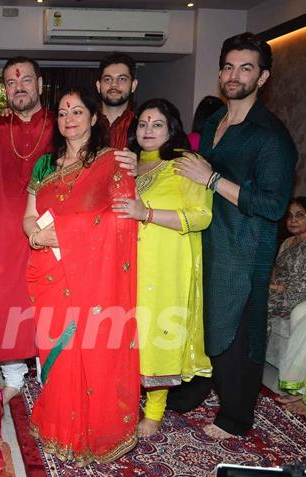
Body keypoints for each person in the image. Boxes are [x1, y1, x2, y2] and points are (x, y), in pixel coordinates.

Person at [0, 56, 137, 404]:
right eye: (11, 83)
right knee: (6, 304)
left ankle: (52, 374)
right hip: (3, 231)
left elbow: (100, 157)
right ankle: (13, 374)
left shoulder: (61, 123)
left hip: (56, 235)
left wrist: (137, 160)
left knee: (52, 306)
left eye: (26, 80)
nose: (20, 87)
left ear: (40, 85)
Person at [170, 32, 297, 439]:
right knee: (205, 323)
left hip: (245, 249)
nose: (234, 75)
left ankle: (237, 417)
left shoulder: (270, 136)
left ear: (262, 77)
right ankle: (200, 387)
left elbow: (273, 205)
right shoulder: (214, 123)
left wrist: (212, 179)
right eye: (228, 66)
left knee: (239, 332)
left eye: (246, 68)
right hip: (209, 239)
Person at [23, 87, 139, 464]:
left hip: (91, 278)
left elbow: (124, 218)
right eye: (61, 112)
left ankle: (93, 430)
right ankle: (59, 423)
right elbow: (28, 215)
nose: (68, 119)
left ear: (93, 118)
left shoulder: (113, 162)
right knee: (54, 349)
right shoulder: (44, 165)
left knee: (88, 348)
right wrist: (37, 235)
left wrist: (69, 232)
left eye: (76, 111)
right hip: (49, 270)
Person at [114, 98, 213, 437]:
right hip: (126, 265)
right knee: (125, 334)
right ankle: (124, 403)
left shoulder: (186, 163)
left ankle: (154, 412)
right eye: (142, 124)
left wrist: (148, 214)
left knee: (158, 333)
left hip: (166, 267)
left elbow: (202, 216)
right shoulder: (127, 165)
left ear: (172, 129)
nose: (148, 130)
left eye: (157, 124)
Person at [267, 198, 306, 415]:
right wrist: (270, 284)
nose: (293, 220)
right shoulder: (287, 243)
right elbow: (276, 268)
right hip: (279, 289)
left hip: (296, 294)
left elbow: (301, 282)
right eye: (290, 215)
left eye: (300, 214)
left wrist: (273, 288)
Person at [96, 52, 138, 149]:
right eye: (107, 79)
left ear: (133, 85)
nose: (114, 84)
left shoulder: (142, 126)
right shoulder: (83, 123)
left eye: (122, 79)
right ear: (98, 86)